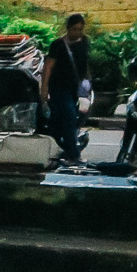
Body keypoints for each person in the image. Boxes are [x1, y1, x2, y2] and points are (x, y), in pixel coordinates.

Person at [39, 14, 91, 164]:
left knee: (58, 120)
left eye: (80, 29)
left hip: (75, 87)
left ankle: (55, 148)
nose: (77, 32)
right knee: (69, 116)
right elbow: (48, 67)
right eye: (74, 29)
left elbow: (85, 63)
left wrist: (88, 83)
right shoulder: (58, 45)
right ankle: (73, 154)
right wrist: (44, 89)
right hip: (59, 87)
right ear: (68, 28)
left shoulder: (84, 42)